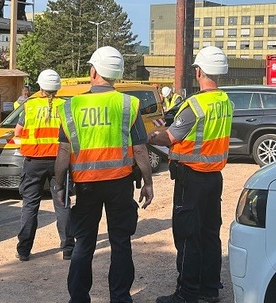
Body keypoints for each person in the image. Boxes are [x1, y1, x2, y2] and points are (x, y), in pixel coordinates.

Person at [54, 46, 154, 303]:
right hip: (120, 183)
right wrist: (148, 183)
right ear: (117, 73)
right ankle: (120, 298)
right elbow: (140, 149)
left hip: (86, 185)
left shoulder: (71, 106)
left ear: (93, 71)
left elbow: (63, 151)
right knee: (120, 242)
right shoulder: (128, 104)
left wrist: (59, 184)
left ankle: (78, 298)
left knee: (84, 243)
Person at [148, 46, 233, 303]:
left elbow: (171, 136)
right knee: (210, 234)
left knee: (187, 235)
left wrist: (152, 136)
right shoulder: (225, 102)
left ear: (199, 72)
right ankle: (209, 289)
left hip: (191, 178)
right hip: (214, 178)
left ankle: (186, 293)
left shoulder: (195, 105)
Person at [15, 69, 74, 262]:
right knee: (62, 203)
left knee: (30, 205)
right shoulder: (66, 106)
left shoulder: (29, 105)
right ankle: (68, 248)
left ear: (40, 85)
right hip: (60, 160)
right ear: (57, 87)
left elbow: (18, 132)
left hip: (34, 161)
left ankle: (24, 250)